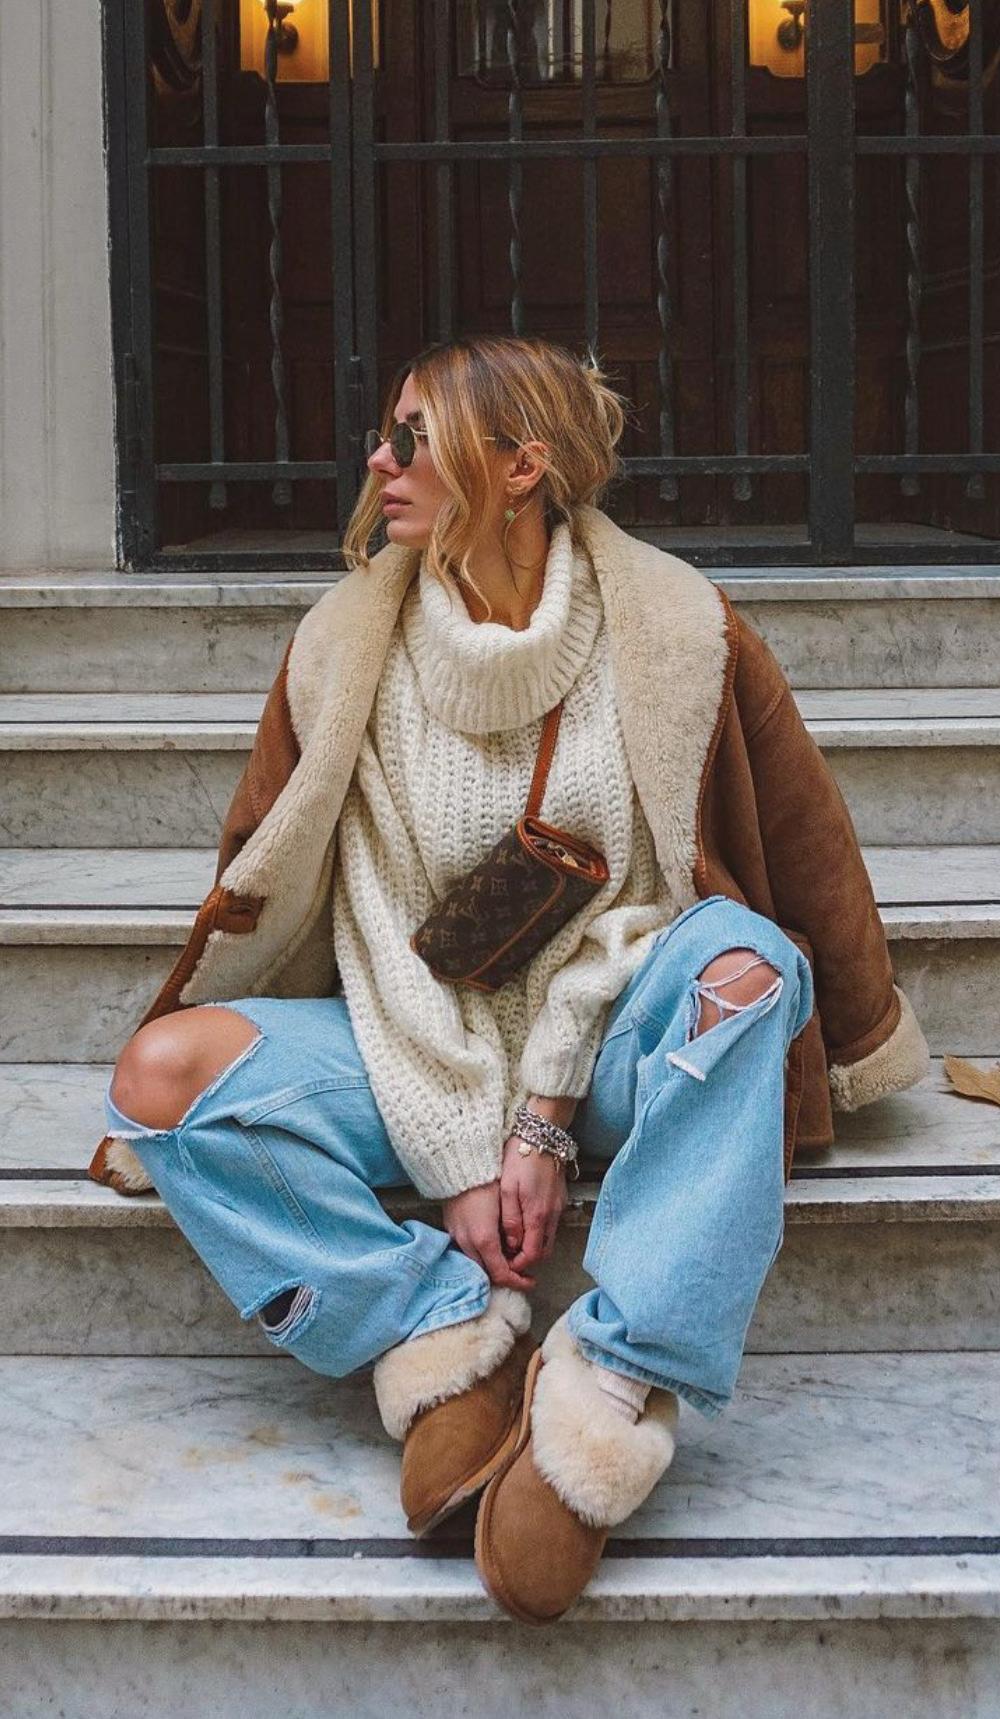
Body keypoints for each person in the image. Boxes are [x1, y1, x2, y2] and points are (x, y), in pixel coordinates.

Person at [91, 334, 930, 1626]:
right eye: (386, 435)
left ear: (522, 466)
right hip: (412, 1042)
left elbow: (708, 888)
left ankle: (615, 1376)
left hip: (612, 1044)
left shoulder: (672, 630)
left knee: (751, 965)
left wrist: (541, 1119)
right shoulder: (347, 647)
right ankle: (434, 1326)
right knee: (164, 1075)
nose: (380, 461)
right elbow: (375, 928)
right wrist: (459, 1159)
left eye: (411, 436)